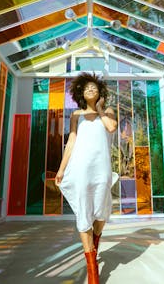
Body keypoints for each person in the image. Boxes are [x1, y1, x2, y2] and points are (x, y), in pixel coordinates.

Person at [55, 72, 117, 284]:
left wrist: (99, 109)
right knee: (84, 212)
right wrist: (62, 169)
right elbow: (71, 142)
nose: (91, 89)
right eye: (87, 87)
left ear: (100, 92)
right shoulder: (75, 115)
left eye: (95, 87)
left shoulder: (107, 112)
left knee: (100, 212)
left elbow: (111, 128)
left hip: (102, 169)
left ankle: (95, 243)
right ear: (81, 92)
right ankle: (92, 272)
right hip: (80, 168)